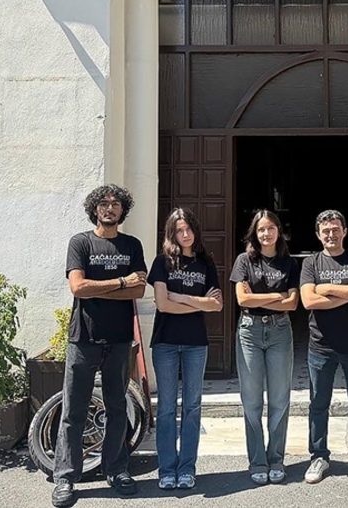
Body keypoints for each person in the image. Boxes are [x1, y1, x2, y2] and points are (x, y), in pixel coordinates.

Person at [53, 184, 147, 508]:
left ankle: (117, 470)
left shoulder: (132, 245)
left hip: (119, 339)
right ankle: (65, 478)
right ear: (94, 209)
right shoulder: (80, 243)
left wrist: (103, 288)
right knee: (73, 411)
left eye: (116, 204)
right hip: (83, 339)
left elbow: (139, 292)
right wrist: (120, 282)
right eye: (104, 203)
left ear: (123, 211)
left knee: (117, 408)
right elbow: (78, 287)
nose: (110, 208)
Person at [147, 207, 223, 491]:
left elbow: (217, 305)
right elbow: (162, 304)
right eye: (179, 230)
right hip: (165, 342)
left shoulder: (205, 262)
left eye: (189, 228)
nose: (185, 234)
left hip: (195, 344)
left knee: (192, 407)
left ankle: (187, 468)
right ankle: (167, 470)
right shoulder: (161, 263)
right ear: (172, 233)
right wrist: (197, 302)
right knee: (166, 408)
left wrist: (180, 296)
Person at [300, 209, 348, 485]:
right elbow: (308, 301)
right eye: (325, 231)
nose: (330, 235)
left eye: (335, 229)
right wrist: (347, 293)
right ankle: (318, 456)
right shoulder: (311, 263)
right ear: (318, 234)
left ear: (344, 231)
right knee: (318, 404)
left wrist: (326, 289)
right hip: (320, 345)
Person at [230, 209, 300, 485]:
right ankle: (257, 460)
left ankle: (276, 459)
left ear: (278, 231)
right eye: (261, 229)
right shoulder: (244, 260)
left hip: (280, 330)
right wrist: (277, 295)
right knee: (252, 401)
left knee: (280, 399)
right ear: (254, 233)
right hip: (249, 331)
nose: (266, 233)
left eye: (271, 228)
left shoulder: (288, 263)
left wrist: (259, 297)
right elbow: (242, 301)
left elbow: (293, 303)